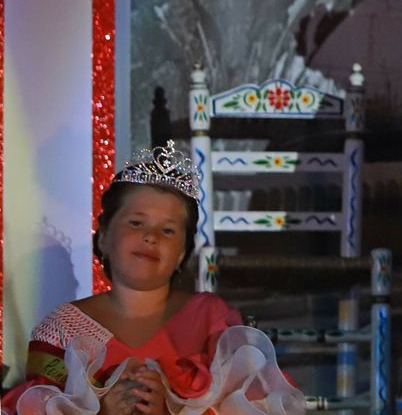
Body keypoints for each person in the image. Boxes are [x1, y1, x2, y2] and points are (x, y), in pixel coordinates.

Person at [1, 142, 301, 415]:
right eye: (136, 223)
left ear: (183, 252)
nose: (150, 237)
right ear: (104, 236)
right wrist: (101, 411)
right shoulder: (61, 329)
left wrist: (171, 409)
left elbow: (258, 404)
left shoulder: (213, 320)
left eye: (168, 230)